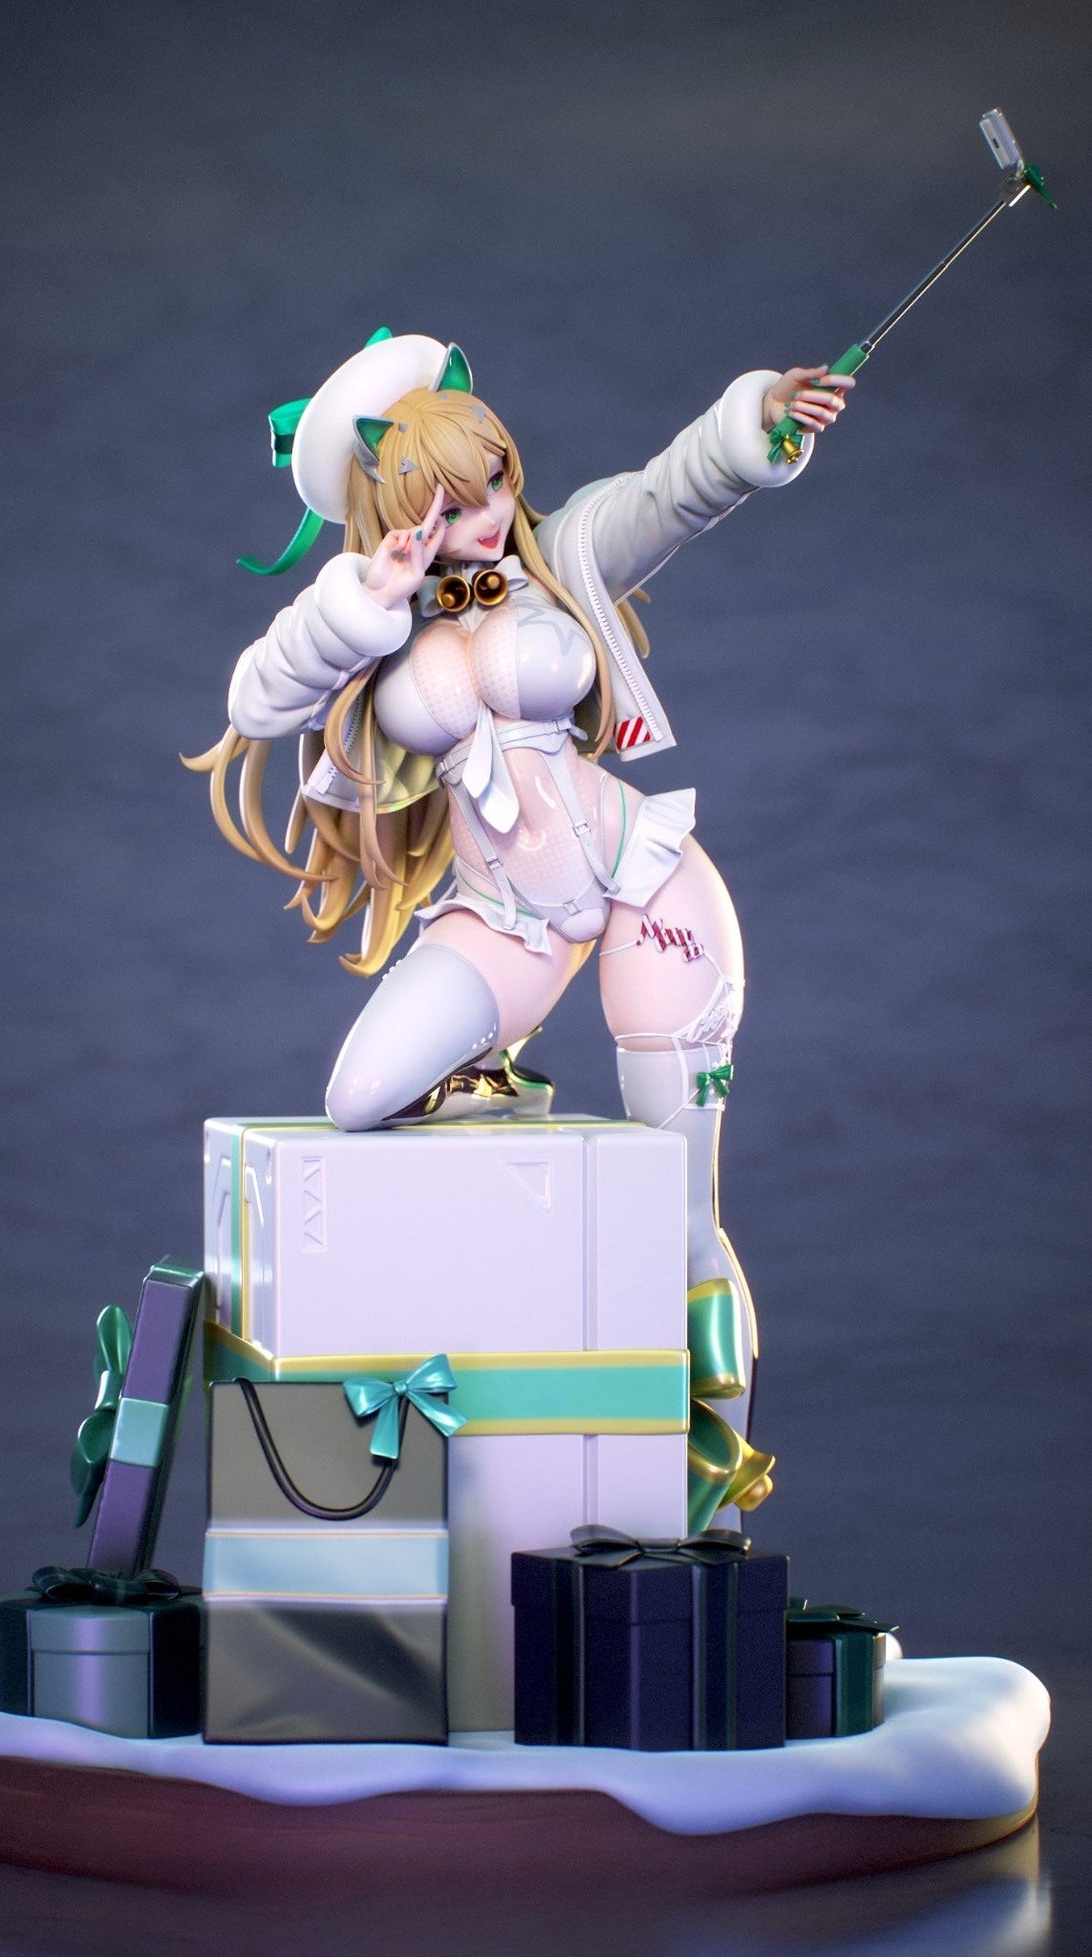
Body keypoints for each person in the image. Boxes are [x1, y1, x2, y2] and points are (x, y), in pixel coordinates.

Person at [186, 331, 851, 1519]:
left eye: (492, 478)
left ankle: (708, 1494)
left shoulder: (566, 556)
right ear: (395, 513)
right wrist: (365, 601)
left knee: (679, 1211)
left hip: (643, 881)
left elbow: (671, 492)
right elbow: (257, 698)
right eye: (447, 501)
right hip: (503, 919)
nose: (488, 515)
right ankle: (493, 1112)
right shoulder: (376, 623)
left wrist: (754, 423)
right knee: (359, 1095)